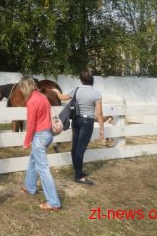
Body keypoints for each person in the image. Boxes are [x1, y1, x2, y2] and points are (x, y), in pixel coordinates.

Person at [52, 69, 104, 185]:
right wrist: (101, 129)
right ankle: (79, 175)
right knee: (80, 149)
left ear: (81, 80)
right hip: (87, 122)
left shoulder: (76, 90)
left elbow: (61, 98)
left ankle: (77, 171)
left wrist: (56, 91)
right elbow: (99, 113)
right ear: (92, 80)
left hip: (76, 120)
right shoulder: (96, 93)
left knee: (75, 147)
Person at [19, 76, 62, 211]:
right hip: (48, 134)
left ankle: (53, 202)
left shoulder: (32, 101)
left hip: (40, 137)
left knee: (43, 169)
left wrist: (26, 142)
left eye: (21, 88)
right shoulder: (43, 97)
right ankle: (29, 186)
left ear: (25, 87)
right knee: (33, 160)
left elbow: (31, 125)